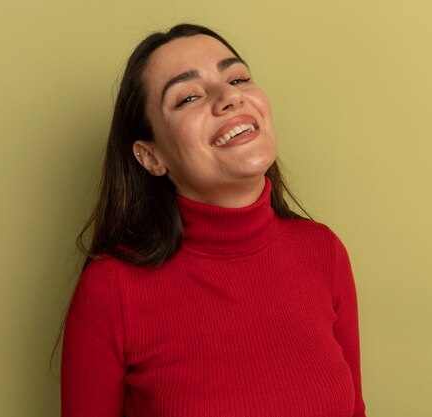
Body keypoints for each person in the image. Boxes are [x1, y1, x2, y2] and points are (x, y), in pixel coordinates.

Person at [61, 23, 367, 417]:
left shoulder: (323, 251)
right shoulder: (112, 289)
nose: (229, 97)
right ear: (150, 156)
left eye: (237, 77)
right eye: (188, 97)